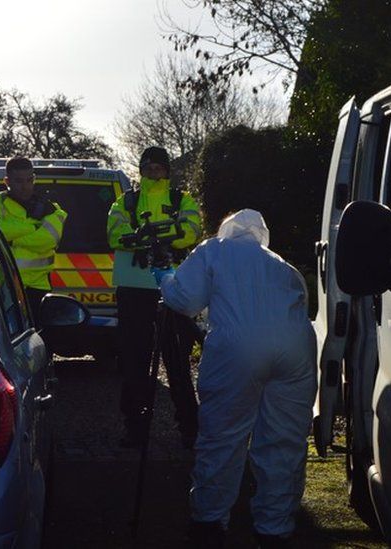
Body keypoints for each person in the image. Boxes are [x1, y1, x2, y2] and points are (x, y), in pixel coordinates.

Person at [152, 209, 317, 548]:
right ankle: (275, 528)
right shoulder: (280, 264)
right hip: (297, 348)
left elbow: (185, 300)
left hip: (239, 349)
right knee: (284, 441)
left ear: (226, 230)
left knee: (223, 436)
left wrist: (165, 276)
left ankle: (209, 522)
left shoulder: (214, 249)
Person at [106, 146, 203, 448]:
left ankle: (189, 428)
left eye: (159, 167)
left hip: (172, 289)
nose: (154, 172)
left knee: (178, 363)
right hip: (133, 289)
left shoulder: (181, 199)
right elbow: (115, 234)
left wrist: (146, 235)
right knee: (134, 362)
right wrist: (164, 235)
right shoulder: (126, 201)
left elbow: (192, 231)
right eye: (148, 167)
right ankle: (135, 429)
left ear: (167, 170)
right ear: (141, 170)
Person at [0, 156, 68, 317]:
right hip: (5, 286)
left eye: (29, 180)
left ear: (34, 179)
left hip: (38, 287)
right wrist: (33, 226)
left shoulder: (50, 207)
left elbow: (49, 240)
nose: (25, 186)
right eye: (18, 181)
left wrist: (12, 239)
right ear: (7, 181)